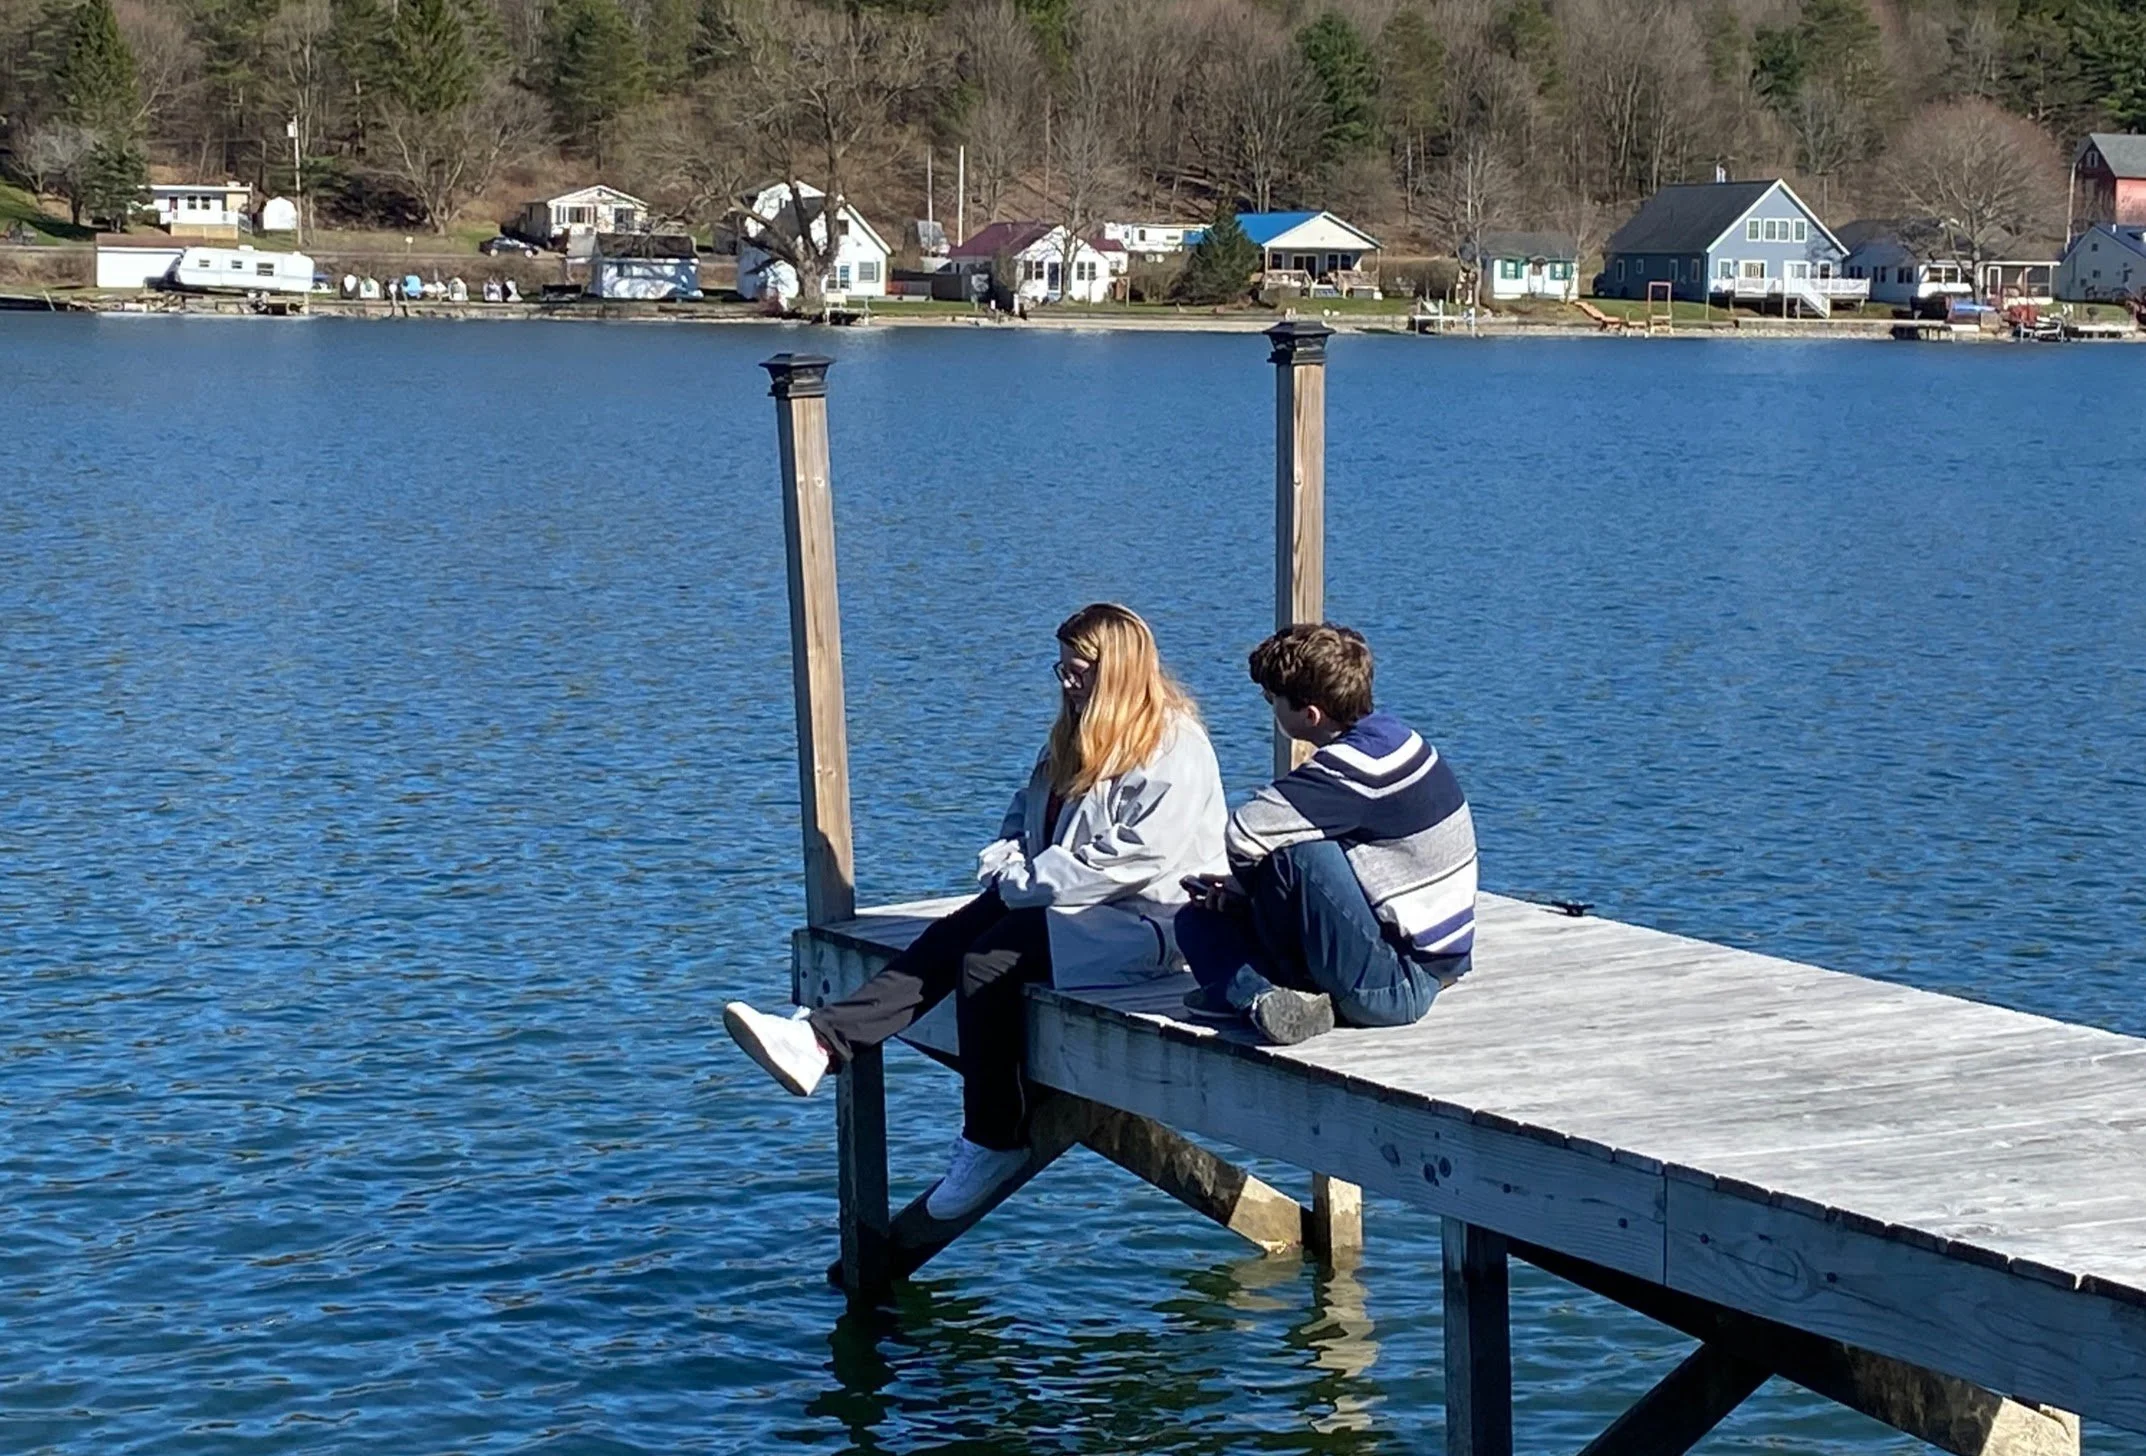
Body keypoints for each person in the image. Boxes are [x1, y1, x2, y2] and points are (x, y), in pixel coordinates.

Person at [723, 603, 1227, 1221]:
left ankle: (993, 1137)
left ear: (1116, 672)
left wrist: (1025, 883)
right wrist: (1007, 859)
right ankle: (820, 1041)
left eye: (1078, 673)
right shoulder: (1075, 732)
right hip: (1063, 908)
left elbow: (1133, 859)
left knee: (986, 959)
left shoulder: (1174, 747)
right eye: (1061, 671)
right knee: (958, 930)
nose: (1066, 684)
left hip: (1147, 924)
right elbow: (1027, 812)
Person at [1175, 623, 1477, 1046]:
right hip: (1423, 961)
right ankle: (1273, 1002)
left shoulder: (1354, 769)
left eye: (1272, 699)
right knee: (1196, 920)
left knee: (1298, 856)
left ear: (1310, 715)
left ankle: (1253, 997)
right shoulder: (1396, 739)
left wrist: (1245, 892)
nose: (1270, 708)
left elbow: (1245, 832)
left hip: (1399, 984)